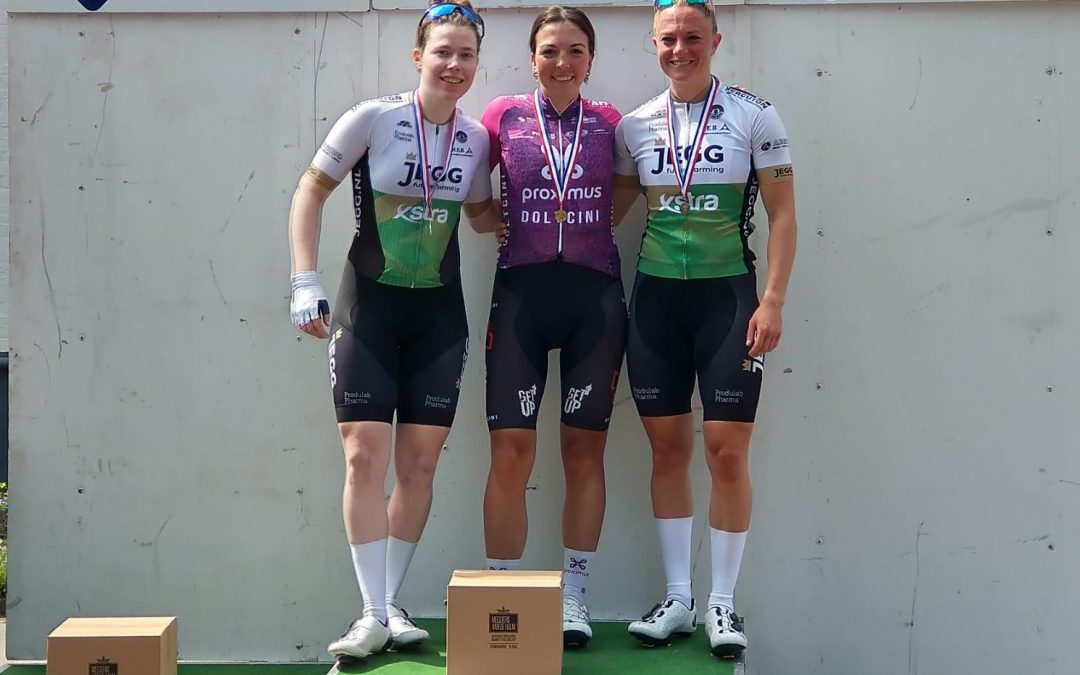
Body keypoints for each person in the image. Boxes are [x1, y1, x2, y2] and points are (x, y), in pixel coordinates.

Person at [287, 0, 501, 662]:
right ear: (419, 57)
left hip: (438, 316)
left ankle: (389, 604)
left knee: (419, 463)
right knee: (362, 458)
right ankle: (372, 610)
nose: (456, 64)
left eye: (467, 54)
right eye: (443, 51)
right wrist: (303, 279)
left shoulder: (476, 138)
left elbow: (481, 214)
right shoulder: (373, 118)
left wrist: (548, 210)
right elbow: (309, 191)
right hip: (368, 309)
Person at [612, 0, 798, 658]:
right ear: (654, 44)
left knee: (725, 451)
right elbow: (612, 207)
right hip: (657, 303)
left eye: (692, 37)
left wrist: (771, 300)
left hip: (729, 301)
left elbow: (782, 216)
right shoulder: (635, 125)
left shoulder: (755, 113)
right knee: (667, 452)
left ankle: (722, 603)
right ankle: (679, 598)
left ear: (714, 40)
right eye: (668, 39)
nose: (680, 48)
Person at [478, 6, 625, 650]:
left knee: (582, 452)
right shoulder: (502, 117)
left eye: (573, 50)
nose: (560, 62)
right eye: (548, 50)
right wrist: (488, 218)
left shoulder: (613, 124)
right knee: (511, 453)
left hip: (594, 299)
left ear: (590, 59)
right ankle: (504, 594)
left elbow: (624, 197)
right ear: (530, 57)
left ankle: (574, 596)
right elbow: (467, 180)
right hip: (520, 298)